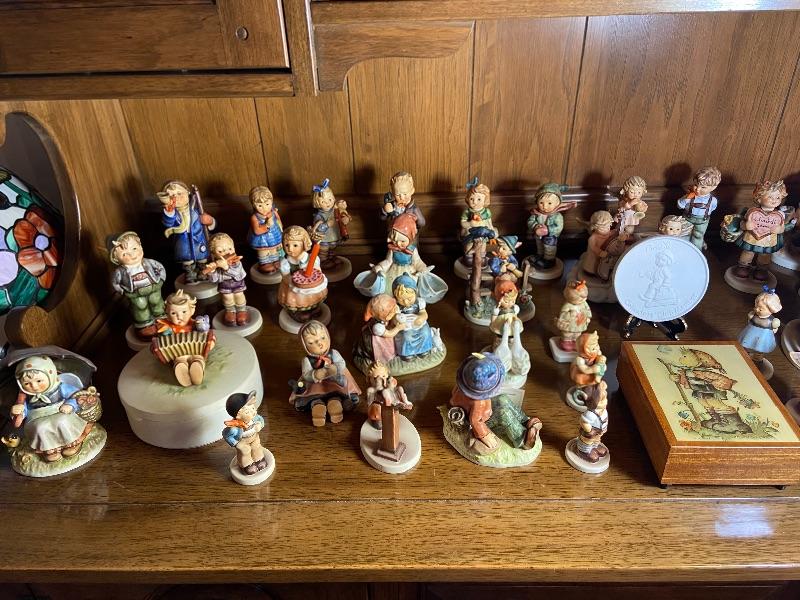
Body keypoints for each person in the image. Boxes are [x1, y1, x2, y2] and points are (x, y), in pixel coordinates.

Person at [10, 355, 93, 463]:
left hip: (59, 410)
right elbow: (22, 412)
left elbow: (77, 395)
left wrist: (70, 404)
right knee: (40, 428)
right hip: (37, 417)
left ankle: (71, 443)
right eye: (27, 383)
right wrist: (18, 411)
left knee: (62, 421)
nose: (34, 386)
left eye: (39, 381)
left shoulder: (60, 387)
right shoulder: (26, 396)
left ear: (50, 375)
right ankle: (50, 450)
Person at [289, 321, 361, 427]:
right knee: (313, 395)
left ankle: (335, 405)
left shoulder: (334, 353)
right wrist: (315, 374)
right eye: (311, 342)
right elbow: (306, 374)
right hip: (316, 385)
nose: (320, 343)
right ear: (304, 346)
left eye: (322, 337)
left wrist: (335, 368)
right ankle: (317, 407)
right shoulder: (307, 360)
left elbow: (341, 364)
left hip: (334, 381)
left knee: (340, 391)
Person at [108, 231, 166, 339]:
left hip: (154, 287)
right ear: (116, 259)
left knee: (156, 301)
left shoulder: (149, 262)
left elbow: (160, 268)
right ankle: (145, 324)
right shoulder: (120, 272)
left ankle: (161, 318)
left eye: (134, 248)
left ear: (140, 246)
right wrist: (123, 291)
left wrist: (161, 280)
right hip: (135, 293)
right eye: (124, 254)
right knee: (140, 306)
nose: (132, 255)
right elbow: (115, 283)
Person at [153, 289, 215, 387]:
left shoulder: (196, 324)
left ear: (192, 311)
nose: (179, 316)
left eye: (184, 312)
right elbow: (163, 343)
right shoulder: (168, 328)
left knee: (198, 357)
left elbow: (207, 337)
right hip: (179, 353)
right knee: (179, 359)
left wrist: (207, 336)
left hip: (195, 351)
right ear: (167, 314)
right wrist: (164, 335)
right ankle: (182, 372)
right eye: (173, 313)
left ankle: (197, 369)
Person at [158, 180, 215, 282]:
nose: (176, 197)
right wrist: (169, 212)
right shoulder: (173, 215)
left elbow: (210, 224)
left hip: (199, 240)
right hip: (183, 242)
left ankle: (203, 272)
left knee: (202, 258)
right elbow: (168, 223)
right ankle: (190, 273)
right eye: (172, 196)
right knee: (187, 260)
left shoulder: (197, 211)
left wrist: (210, 221)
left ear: (188, 193)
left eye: (180, 193)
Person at [526, 183, 575, 270]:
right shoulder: (536, 213)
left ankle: (549, 260)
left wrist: (548, 230)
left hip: (550, 237)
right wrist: (535, 226)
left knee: (549, 249)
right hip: (538, 236)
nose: (545, 206)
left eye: (549, 203)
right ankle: (540, 255)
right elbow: (530, 221)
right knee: (539, 246)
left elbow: (558, 226)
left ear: (557, 203)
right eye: (541, 203)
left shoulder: (557, 216)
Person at [204, 233, 249, 326]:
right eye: (220, 251)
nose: (227, 253)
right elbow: (214, 280)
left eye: (230, 248)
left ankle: (241, 310)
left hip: (237, 283)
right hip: (225, 285)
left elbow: (237, 273)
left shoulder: (236, 262)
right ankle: (230, 311)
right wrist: (211, 271)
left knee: (239, 295)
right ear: (213, 254)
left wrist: (226, 267)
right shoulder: (217, 264)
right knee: (227, 297)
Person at [222, 391, 269, 476]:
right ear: (238, 416)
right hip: (243, 442)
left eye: (253, 408)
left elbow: (261, 419)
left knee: (256, 447)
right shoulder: (234, 428)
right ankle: (247, 465)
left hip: (254, 437)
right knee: (245, 452)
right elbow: (226, 435)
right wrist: (237, 444)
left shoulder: (255, 418)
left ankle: (259, 459)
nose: (253, 412)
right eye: (247, 412)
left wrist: (259, 424)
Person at [677, 166, 721, 249]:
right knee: (684, 233)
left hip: (702, 221)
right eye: (696, 185)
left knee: (698, 235)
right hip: (687, 218)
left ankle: (696, 250)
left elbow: (712, 209)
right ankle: (682, 248)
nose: (697, 189)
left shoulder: (713, 200)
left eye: (703, 187)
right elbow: (679, 206)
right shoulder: (689, 196)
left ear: (713, 187)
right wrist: (686, 199)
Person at [310, 178, 350, 269]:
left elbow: (343, 215)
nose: (327, 203)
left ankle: (332, 258)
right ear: (317, 203)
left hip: (334, 235)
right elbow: (318, 228)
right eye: (323, 201)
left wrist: (345, 219)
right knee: (324, 250)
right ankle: (323, 261)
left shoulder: (335, 210)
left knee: (333, 248)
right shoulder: (319, 215)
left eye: (330, 199)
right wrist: (327, 224)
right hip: (324, 238)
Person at [392, 275, 434, 361]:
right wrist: (397, 320)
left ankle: (423, 350)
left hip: (417, 322)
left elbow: (424, 313)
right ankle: (407, 353)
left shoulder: (419, 302)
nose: (406, 302)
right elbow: (393, 318)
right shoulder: (395, 306)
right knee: (406, 336)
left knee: (425, 332)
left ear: (415, 293)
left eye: (409, 298)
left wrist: (421, 318)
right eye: (401, 300)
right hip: (405, 326)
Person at [247, 185, 283, 274]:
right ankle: (265, 263)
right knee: (263, 252)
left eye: (267, 204)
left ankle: (275, 260)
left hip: (274, 235)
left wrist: (281, 229)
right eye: (260, 205)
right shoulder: (255, 217)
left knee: (273, 250)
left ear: (271, 202)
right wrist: (267, 225)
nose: (264, 208)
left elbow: (278, 221)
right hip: (261, 239)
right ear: (253, 205)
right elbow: (257, 231)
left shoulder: (273, 212)